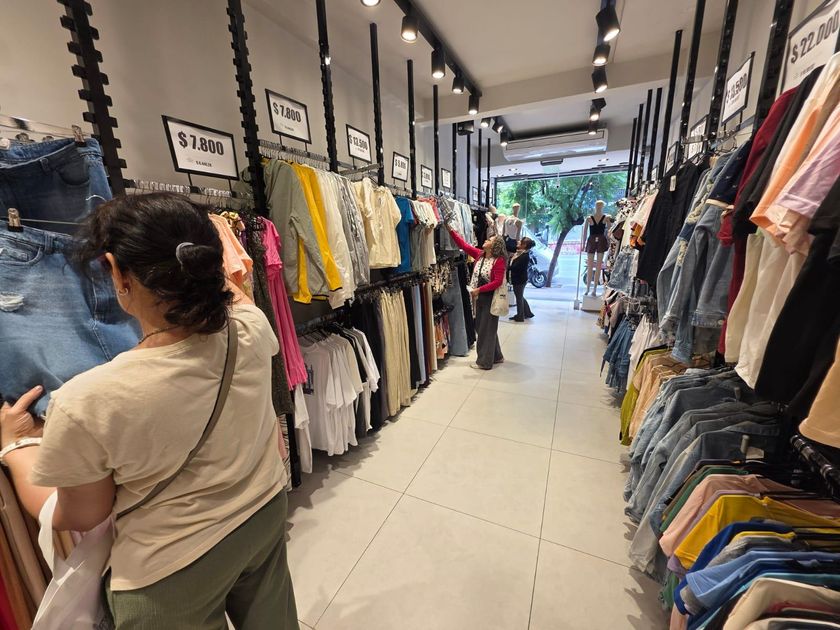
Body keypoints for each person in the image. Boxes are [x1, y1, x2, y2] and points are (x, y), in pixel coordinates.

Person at [0, 193, 299, 629]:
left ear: (116, 271)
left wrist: (14, 447)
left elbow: (80, 514)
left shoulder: (87, 400)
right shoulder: (251, 327)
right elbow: (231, 296)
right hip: (262, 512)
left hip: (172, 567)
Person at [447, 226, 506, 370]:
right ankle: (497, 356)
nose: (486, 240)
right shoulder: (480, 255)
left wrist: (479, 290)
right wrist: (451, 230)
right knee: (484, 327)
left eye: (490, 240)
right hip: (479, 296)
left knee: (485, 329)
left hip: (490, 297)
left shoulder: (499, 261)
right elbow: (463, 245)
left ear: (495, 245)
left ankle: (484, 362)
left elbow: (497, 282)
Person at [584, 199, 612, 296]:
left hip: (599, 240)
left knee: (598, 266)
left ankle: (594, 289)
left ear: (602, 207)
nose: (598, 208)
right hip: (593, 240)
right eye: (597, 206)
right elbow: (584, 233)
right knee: (590, 266)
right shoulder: (589, 218)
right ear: (595, 207)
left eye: (600, 206)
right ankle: (588, 288)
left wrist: (610, 242)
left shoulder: (606, 218)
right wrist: (583, 244)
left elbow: (610, 231)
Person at [509, 237, 536, 322]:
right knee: (520, 296)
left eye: (520, 242)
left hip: (520, 280)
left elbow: (515, 267)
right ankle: (527, 313)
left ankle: (520, 316)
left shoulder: (524, 256)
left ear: (524, 245)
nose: (518, 242)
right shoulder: (520, 253)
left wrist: (508, 267)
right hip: (518, 279)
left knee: (519, 297)